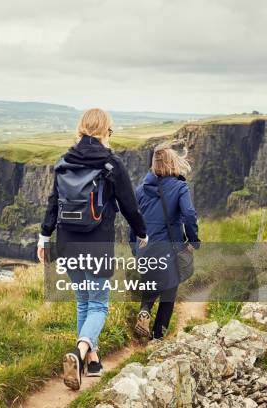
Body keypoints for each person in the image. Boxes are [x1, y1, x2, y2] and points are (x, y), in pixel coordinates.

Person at [37, 108, 148, 390]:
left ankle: (92, 360)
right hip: (97, 243)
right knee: (98, 304)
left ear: (81, 129)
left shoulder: (64, 161)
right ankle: (79, 351)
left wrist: (44, 236)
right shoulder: (111, 164)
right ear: (104, 131)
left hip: (67, 242)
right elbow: (129, 205)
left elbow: (53, 201)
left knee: (84, 300)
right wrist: (142, 232)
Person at [131, 143, 200, 340]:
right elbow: (188, 214)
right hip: (169, 248)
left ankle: (145, 310)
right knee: (169, 289)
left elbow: (132, 220)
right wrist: (193, 240)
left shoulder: (140, 190)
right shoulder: (180, 187)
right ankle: (157, 336)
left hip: (144, 248)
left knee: (151, 282)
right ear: (173, 162)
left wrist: (134, 248)